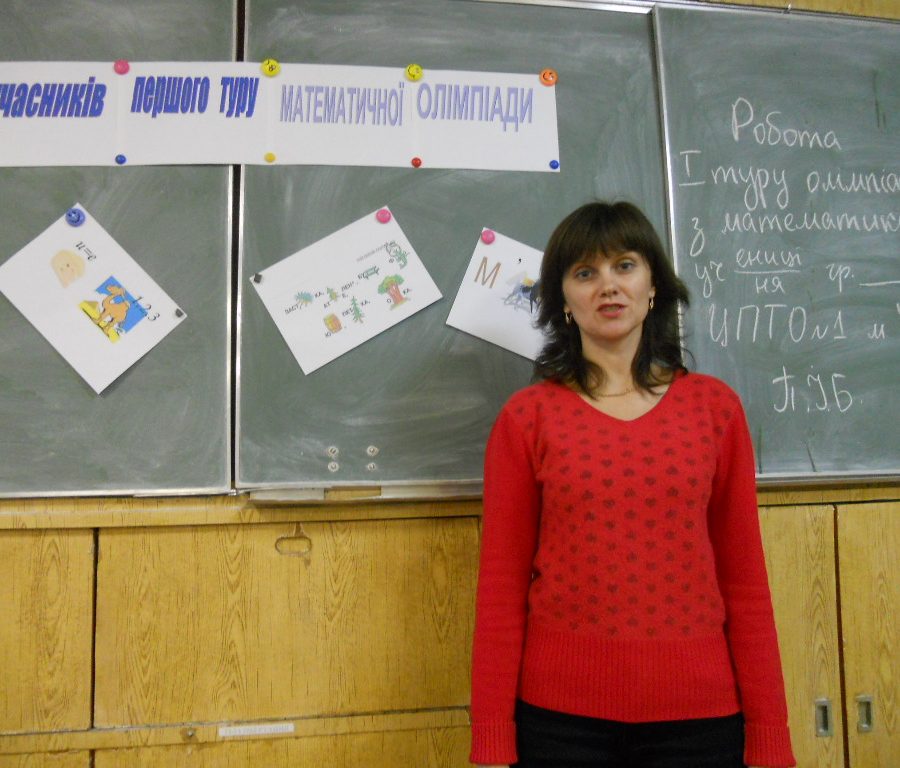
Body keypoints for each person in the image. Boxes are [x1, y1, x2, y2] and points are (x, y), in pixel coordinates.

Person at [469, 201, 795, 768]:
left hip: (700, 719)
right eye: (585, 272)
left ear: (653, 285)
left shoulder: (714, 410)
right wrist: (492, 739)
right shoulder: (527, 419)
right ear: (562, 299)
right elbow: (500, 590)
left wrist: (770, 734)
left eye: (624, 265)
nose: (608, 286)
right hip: (560, 724)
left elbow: (745, 583)